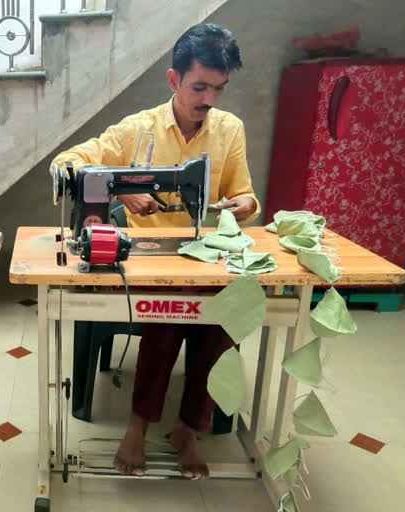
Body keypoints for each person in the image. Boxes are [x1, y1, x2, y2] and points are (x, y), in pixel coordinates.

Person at [51, 23, 260, 479]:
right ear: (173, 80)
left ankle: (187, 428)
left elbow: (244, 194)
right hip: (152, 259)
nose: (208, 99)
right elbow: (67, 161)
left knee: (224, 318)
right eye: (198, 86)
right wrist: (120, 189)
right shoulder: (137, 129)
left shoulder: (230, 130)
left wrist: (242, 205)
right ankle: (138, 425)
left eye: (218, 89)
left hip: (207, 255)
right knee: (167, 316)